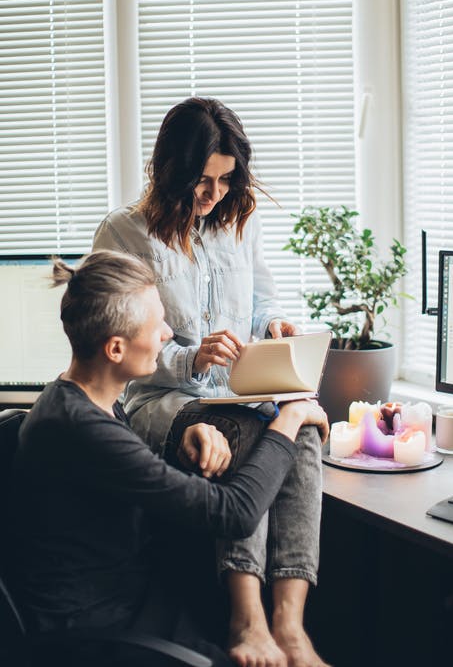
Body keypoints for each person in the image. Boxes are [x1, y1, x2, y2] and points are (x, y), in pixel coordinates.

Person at [92, 97, 329, 667]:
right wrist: (190, 357)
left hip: (236, 392)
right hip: (164, 398)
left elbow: (262, 297)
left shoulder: (237, 223)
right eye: (202, 180)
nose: (213, 194)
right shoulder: (126, 232)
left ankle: (290, 626)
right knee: (246, 436)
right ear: (170, 169)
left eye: (226, 180)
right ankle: (245, 617)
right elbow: (115, 346)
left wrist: (271, 322)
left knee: (305, 435)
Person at [8, 250, 329, 667]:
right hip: (99, 631)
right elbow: (235, 514)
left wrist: (182, 441)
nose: (166, 334)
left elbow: (118, 478)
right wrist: (291, 416)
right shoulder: (80, 427)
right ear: (116, 348)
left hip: (131, 593)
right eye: (155, 324)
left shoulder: (81, 398)